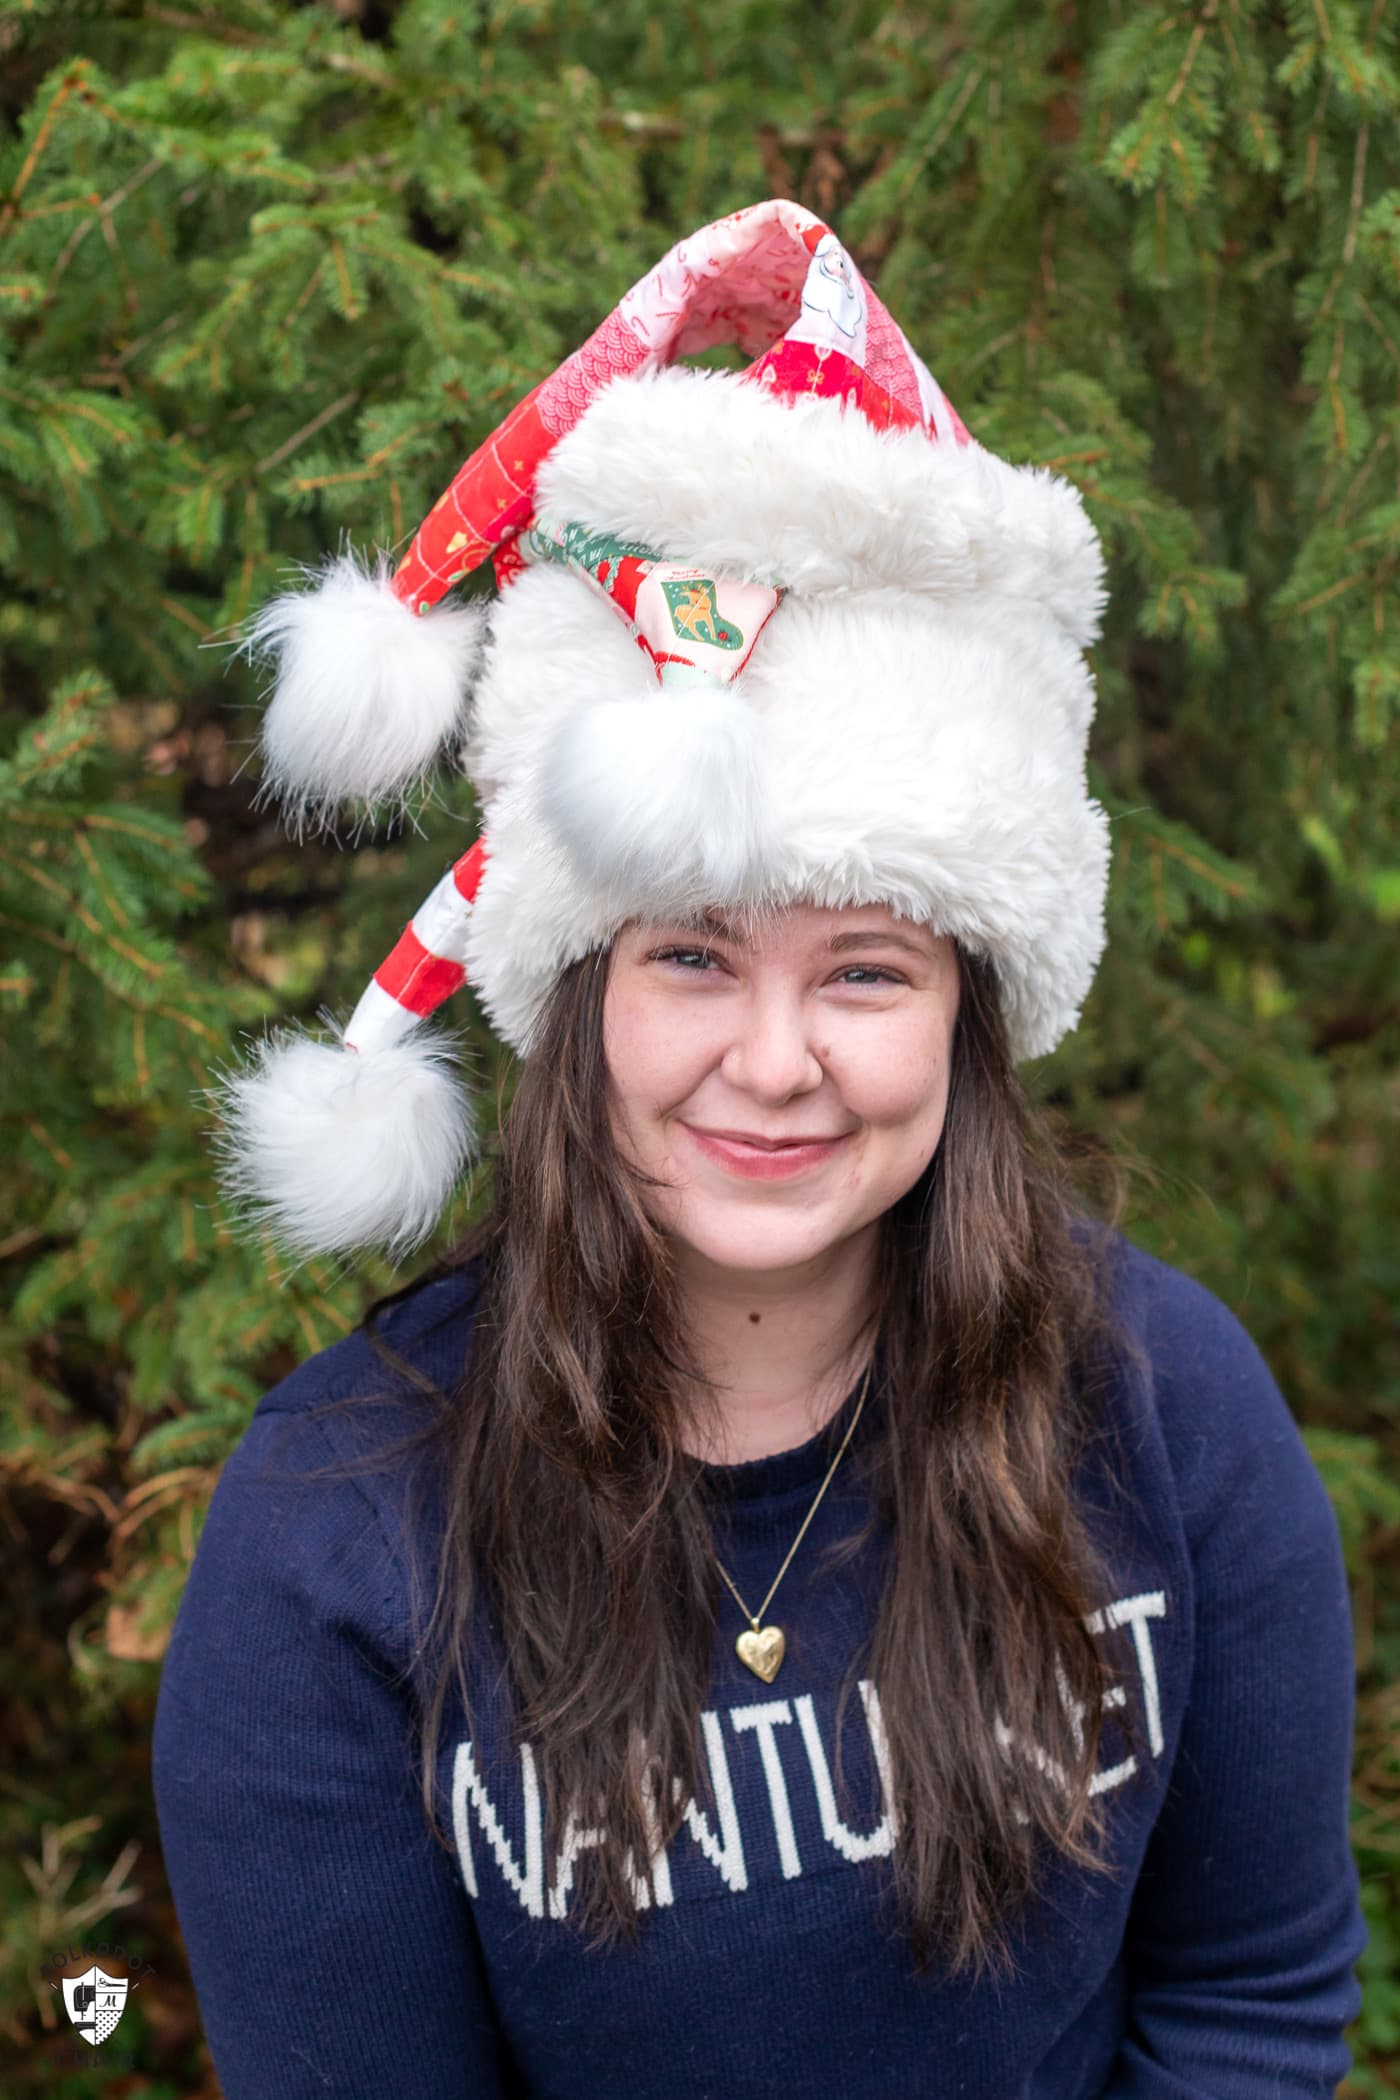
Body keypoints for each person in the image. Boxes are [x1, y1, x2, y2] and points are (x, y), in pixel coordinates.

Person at [152, 199, 1366, 2099]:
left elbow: (1248, 2009)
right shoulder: (335, 1540)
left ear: (973, 1006)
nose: (777, 1062)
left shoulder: (1165, 1408)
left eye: (866, 967)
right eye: (695, 954)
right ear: (578, 998)